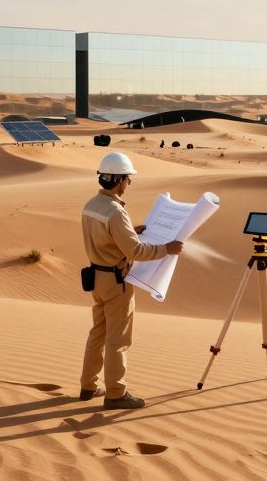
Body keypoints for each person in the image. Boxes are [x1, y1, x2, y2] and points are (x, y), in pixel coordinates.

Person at [79, 152, 182, 410]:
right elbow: (136, 252)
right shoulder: (115, 211)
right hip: (116, 282)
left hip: (97, 279)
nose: (128, 184)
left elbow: (105, 237)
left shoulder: (91, 205)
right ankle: (115, 393)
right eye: (128, 178)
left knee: (98, 333)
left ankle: (88, 385)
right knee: (118, 340)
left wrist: (130, 232)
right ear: (119, 179)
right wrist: (166, 249)